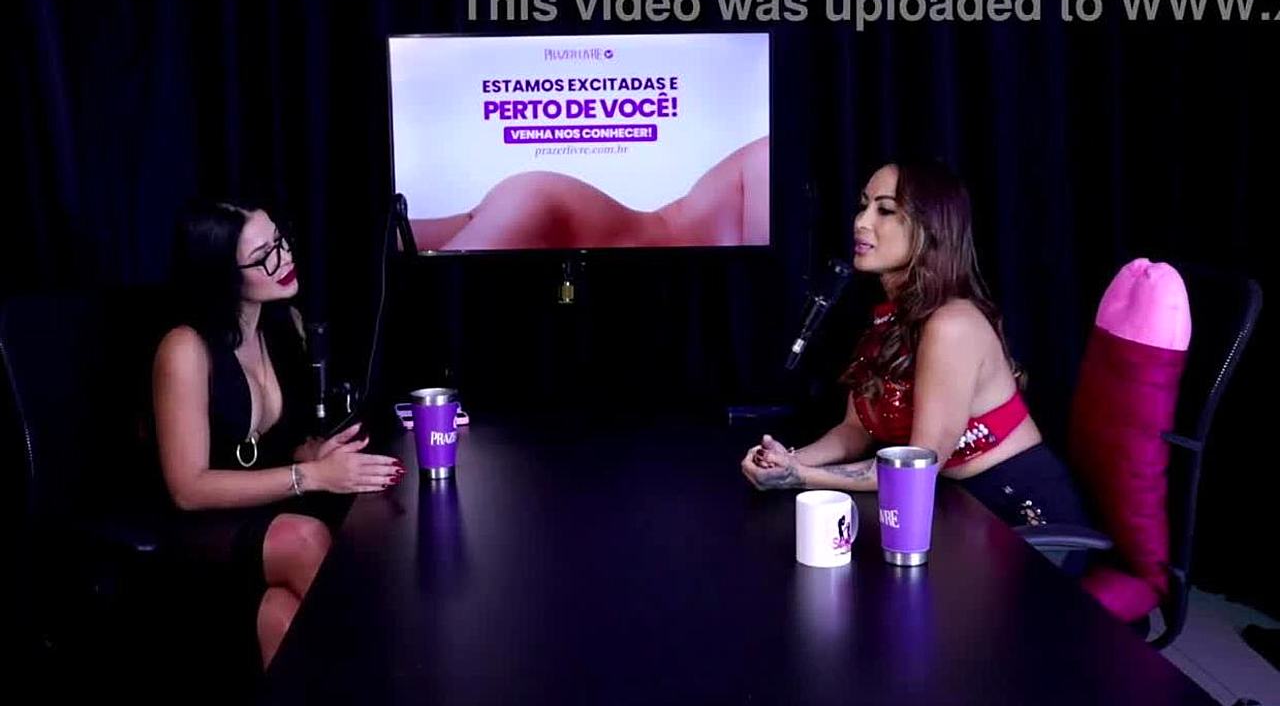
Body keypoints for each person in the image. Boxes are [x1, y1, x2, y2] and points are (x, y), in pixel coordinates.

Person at [739, 161, 1092, 529]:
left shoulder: (952, 326)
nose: (861, 222)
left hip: (1020, 516)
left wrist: (800, 477)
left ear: (929, 229)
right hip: (958, 507)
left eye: (885, 210)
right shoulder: (890, 321)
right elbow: (854, 431)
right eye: (864, 206)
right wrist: (786, 460)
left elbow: (915, 469)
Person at [152, 201, 403, 668]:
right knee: (304, 538)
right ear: (223, 277)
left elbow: (279, 443)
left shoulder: (282, 324)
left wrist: (315, 453)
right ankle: (390, 671)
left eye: (280, 242)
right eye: (263, 256)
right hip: (200, 526)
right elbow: (187, 489)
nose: (284, 258)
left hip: (266, 510)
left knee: (280, 617)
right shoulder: (184, 348)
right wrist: (309, 476)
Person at [409, 136, 769, 251]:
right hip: (558, 214)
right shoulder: (768, 154)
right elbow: (767, 279)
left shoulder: (765, 154)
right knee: (426, 308)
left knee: (389, 249)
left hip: (549, 205)